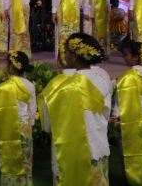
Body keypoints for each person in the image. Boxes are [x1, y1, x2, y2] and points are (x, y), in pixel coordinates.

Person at [40, 33, 111, 185]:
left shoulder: (60, 85)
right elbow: (106, 113)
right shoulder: (103, 78)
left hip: (68, 148)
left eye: (66, 52)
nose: (64, 55)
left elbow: (48, 121)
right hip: (96, 144)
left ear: (74, 56)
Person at [113, 38, 142, 186]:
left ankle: (134, 180)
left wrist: (116, 115)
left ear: (136, 57)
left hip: (131, 121)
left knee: (131, 152)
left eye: (127, 55)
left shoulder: (128, 78)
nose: (125, 58)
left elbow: (120, 100)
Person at [0, 51, 36, 185]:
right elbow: (32, 111)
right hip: (25, 126)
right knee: (25, 160)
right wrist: (29, 125)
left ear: (11, 66)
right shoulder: (29, 85)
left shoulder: (3, 87)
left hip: (7, 127)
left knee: (9, 160)